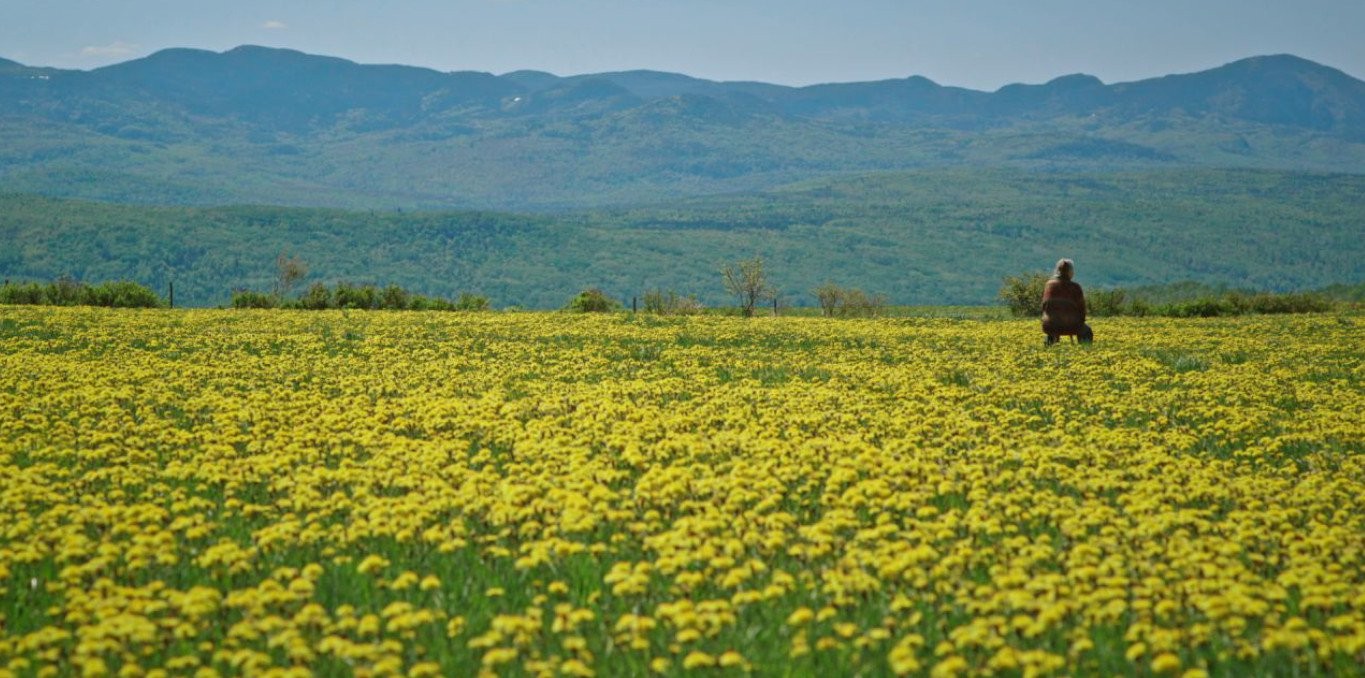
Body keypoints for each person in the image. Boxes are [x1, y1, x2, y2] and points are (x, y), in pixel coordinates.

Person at [1041, 259, 1093, 345]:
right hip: (1072, 325)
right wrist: (1080, 321)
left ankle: (1049, 349)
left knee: (1051, 330)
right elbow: (1082, 309)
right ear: (1070, 272)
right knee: (1087, 331)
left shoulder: (1048, 285)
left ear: (1057, 271)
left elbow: (1044, 306)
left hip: (1050, 325)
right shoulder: (1075, 287)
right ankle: (1085, 350)